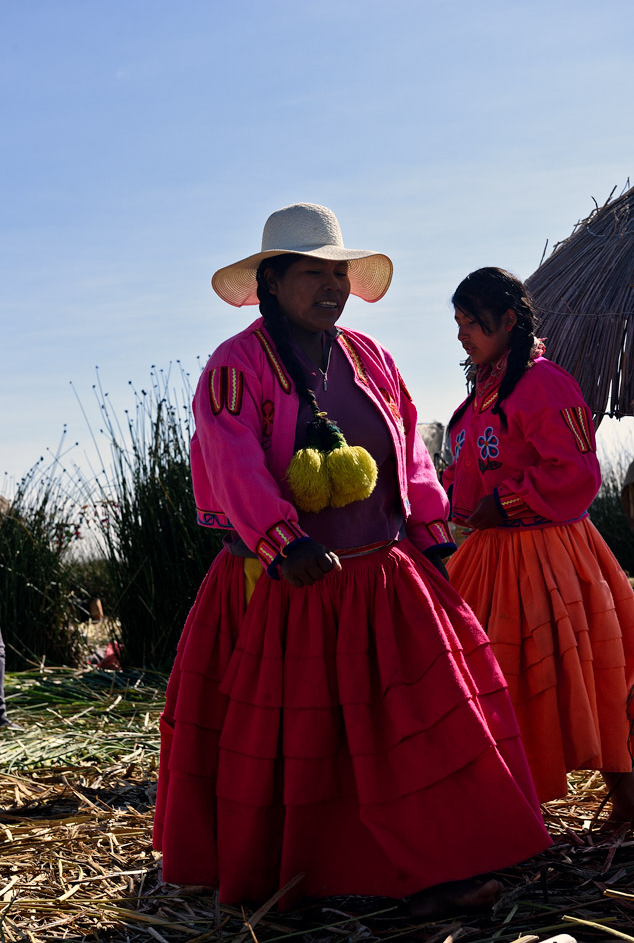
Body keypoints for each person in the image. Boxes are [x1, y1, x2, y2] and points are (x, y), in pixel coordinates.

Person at [152, 206, 550, 914]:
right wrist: (282, 540)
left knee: (416, 729)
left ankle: (438, 867)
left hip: (382, 576)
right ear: (272, 282)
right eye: (313, 274)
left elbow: (411, 451)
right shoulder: (235, 367)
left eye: (338, 274)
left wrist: (432, 538)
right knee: (303, 745)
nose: (332, 287)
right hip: (291, 584)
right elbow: (232, 459)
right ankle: (310, 876)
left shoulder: (371, 358)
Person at [443, 266, 634, 823]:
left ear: (508, 321)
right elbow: (465, 473)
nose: (461, 336)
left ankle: (626, 803)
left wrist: (506, 503)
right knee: (490, 676)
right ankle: (506, 809)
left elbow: (576, 470)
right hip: (489, 555)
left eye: (471, 323)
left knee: (590, 671)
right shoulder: (480, 394)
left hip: (550, 553)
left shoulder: (545, 382)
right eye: (457, 324)